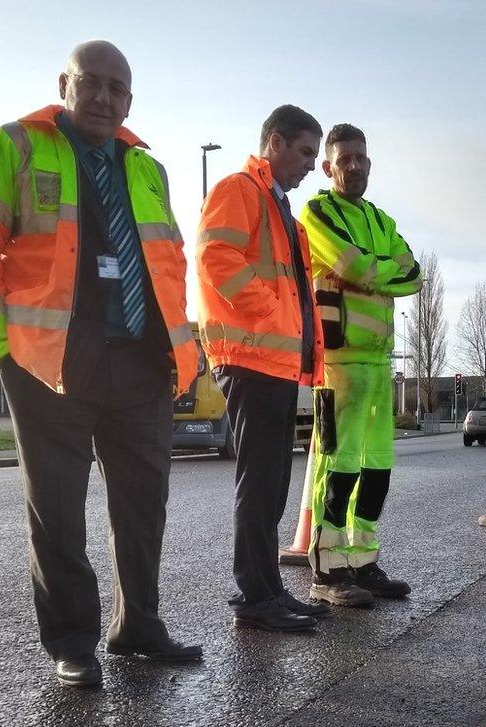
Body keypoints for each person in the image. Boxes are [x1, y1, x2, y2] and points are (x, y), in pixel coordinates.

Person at [0, 40, 203, 688]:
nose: (103, 97)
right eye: (92, 83)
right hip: (50, 359)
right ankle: (72, 642)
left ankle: (138, 625)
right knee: (57, 509)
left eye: (117, 89)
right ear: (66, 82)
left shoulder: (147, 167)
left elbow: (170, 265)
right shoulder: (17, 145)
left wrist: (183, 353)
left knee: (144, 504)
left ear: (130, 100)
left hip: (140, 360)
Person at [197, 105, 328, 632]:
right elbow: (215, 259)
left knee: (273, 480)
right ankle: (255, 596)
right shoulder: (239, 190)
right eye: (304, 152)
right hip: (249, 356)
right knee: (259, 480)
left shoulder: (280, 211)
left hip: (272, 360)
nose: (310, 166)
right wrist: (272, 315)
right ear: (273, 143)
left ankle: (269, 589)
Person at [299, 124, 423, 606]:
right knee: (339, 463)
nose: (354, 166)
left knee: (377, 466)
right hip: (338, 361)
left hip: (377, 362)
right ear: (329, 167)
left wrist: (374, 271)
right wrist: (376, 271)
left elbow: (414, 273)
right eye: (344, 159)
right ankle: (328, 572)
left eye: (361, 159)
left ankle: (363, 562)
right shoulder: (318, 212)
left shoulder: (379, 218)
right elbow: (356, 268)